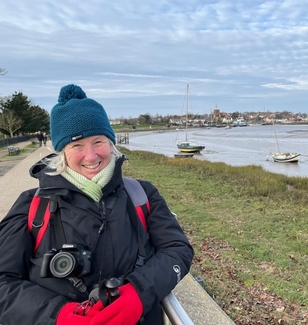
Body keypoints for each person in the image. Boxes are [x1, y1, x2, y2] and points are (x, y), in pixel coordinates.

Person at [0, 84, 194, 325]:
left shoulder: (141, 194)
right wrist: (56, 315)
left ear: (111, 143)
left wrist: (139, 293)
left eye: (98, 141)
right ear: (62, 152)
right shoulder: (32, 205)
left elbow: (177, 249)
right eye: (76, 145)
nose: (91, 156)